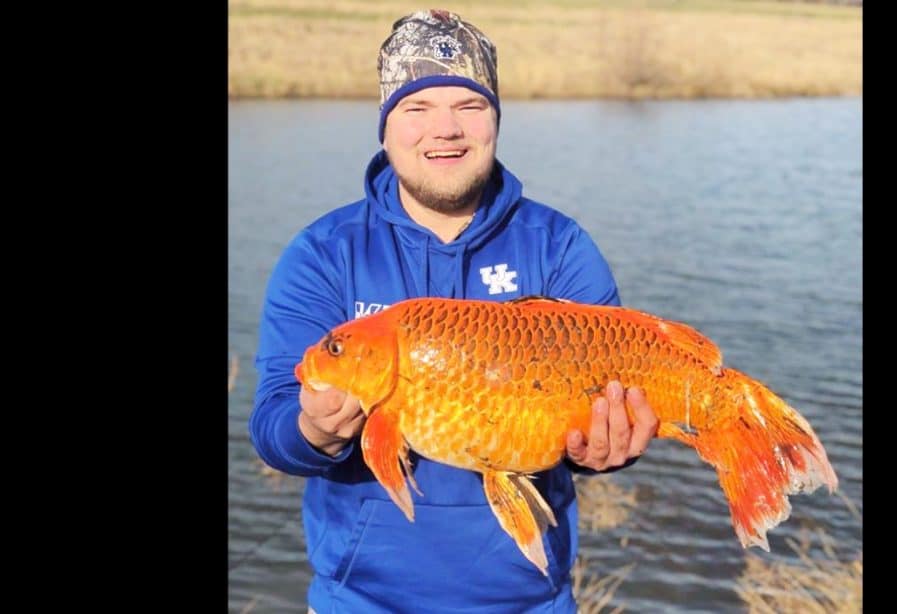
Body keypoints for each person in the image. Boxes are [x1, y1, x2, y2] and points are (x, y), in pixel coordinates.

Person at [249, 9, 658, 613]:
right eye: (416, 109)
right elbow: (272, 427)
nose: (445, 129)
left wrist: (606, 449)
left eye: (469, 105)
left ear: (495, 120)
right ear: (386, 128)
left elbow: (609, 409)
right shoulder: (324, 253)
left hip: (530, 600)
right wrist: (313, 429)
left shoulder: (559, 245)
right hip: (359, 601)